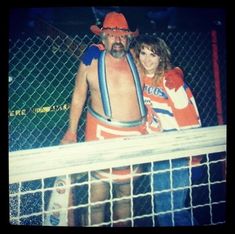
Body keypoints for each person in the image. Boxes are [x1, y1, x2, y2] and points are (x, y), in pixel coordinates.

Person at [60, 12, 148, 227]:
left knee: (125, 196)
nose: (117, 41)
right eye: (111, 36)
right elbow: (79, 96)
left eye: (122, 37)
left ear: (129, 39)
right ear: (103, 38)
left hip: (134, 137)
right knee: (96, 199)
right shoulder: (90, 61)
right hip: (100, 135)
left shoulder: (140, 59)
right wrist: (72, 132)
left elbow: (162, 73)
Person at [134, 35, 202, 226]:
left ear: (161, 57)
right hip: (156, 148)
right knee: (164, 208)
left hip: (176, 147)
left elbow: (191, 121)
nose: (147, 59)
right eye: (143, 53)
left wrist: (194, 159)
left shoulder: (170, 81)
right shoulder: (138, 78)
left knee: (172, 210)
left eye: (153, 55)